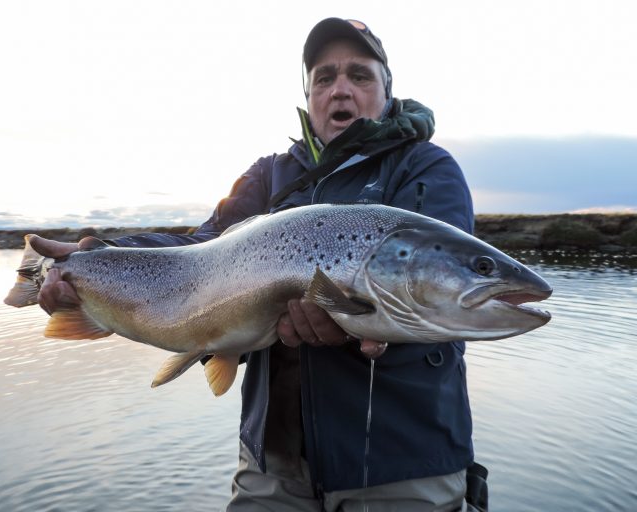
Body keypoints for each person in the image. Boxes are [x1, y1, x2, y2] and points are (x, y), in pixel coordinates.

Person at [33, 18, 487, 512]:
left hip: (402, 463)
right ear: (309, 95)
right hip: (271, 465)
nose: (341, 90)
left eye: (360, 76)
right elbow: (198, 251)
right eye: (324, 77)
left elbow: (438, 297)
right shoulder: (269, 175)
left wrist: (354, 325)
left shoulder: (424, 167)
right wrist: (95, 256)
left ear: (387, 90)